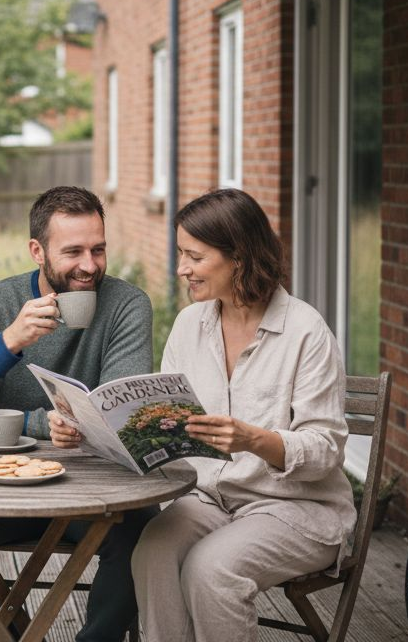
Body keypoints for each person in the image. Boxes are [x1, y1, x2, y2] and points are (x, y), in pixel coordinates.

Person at [0, 185, 155, 642]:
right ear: (37, 251)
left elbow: (118, 414)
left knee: (145, 528)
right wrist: (9, 342)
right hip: (13, 488)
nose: (89, 265)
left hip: (98, 491)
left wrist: (10, 422)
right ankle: (12, 635)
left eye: (98, 249)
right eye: (73, 252)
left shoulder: (127, 305)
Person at [123, 188, 356, 642]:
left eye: (194, 256)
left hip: (296, 507)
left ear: (239, 258)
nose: (181, 269)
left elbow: (326, 451)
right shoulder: (190, 325)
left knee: (212, 570)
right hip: (210, 498)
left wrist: (253, 440)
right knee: (151, 552)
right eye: (180, 254)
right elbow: (169, 421)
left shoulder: (306, 332)